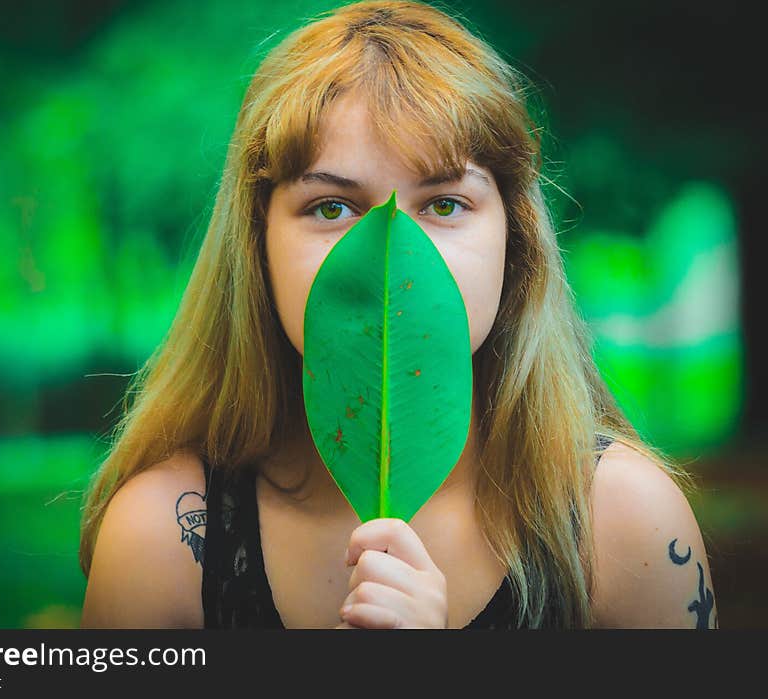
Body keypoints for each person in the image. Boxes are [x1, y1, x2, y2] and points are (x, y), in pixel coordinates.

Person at [78, 0, 718, 629]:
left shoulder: (625, 523)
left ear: (513, 240)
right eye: (331, 207)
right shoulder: (161, 538)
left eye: (443, 203)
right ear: (256, 245)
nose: (393, 257)